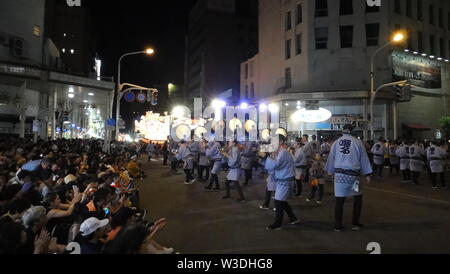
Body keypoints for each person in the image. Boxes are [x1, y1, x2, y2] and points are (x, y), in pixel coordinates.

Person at [325, 124, 373, 232]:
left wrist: (331, 172)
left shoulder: (336, 143)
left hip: (339, 177)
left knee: (339, 200)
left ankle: (338, 225)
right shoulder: (357, 142)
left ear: (342, 131)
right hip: (353, 177)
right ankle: (355, 223)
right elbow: (364, 159)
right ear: (353, 131)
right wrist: (367, 174)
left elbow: (331, 159)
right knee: (357, 198)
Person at [266, 137, 300, 231]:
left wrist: (270, 157)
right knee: (282, 201)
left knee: (278, 202)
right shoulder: (280, 152)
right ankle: (293, 218)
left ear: (280, 142)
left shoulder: (283, 152)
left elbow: (275, 165)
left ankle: (278, 223)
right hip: (283, 179)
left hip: (285, 180)